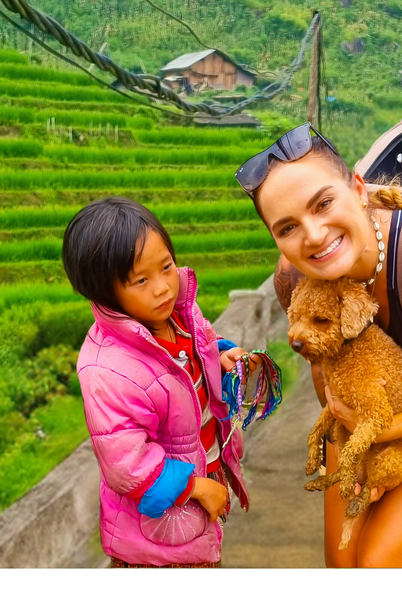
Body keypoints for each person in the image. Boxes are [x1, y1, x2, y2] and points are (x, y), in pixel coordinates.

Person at [238, 123, 402, 567]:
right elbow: (326, 372)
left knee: (379, 561)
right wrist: (361, 445)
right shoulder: (294, 278)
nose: (313, 235)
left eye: (323, 203)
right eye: (288, 227)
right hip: (366, 406)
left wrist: (382, 433)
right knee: (342, 560)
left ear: (359, 189)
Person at [62, 196, 259, 567]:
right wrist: (195, 487)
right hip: (159, 536)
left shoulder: (178, 314)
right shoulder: (109, 369)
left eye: (166, 267)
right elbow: (127, 463)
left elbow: (192, 354)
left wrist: (219, 355)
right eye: (141, 280)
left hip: (202, 482)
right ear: (104, 291)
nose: (163, 288)